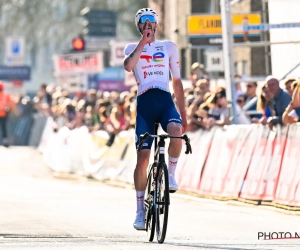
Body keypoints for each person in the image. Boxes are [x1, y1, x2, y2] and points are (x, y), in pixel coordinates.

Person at [123, 8, 187, 230]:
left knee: (177, 133)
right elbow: (129, 66)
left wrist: (184, 115)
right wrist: (143, 42)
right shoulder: (132, 48)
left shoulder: (169, 47)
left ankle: (170, 174)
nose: (149, 24)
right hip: (145, 105)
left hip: (165, 100)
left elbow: (177, 82)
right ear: (139, 26)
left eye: (152, 21)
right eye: (144, 21)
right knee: (143, 158)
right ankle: (140, 211)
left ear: (157, 25)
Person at [0, 82, 15, 147]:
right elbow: (12, 103)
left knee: (4, 128)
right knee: (4, 128)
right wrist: (9, 109)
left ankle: (5, 141)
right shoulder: (6, 96)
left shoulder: (6, 96)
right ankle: (5, 141)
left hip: (3, 113)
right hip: (4, 114)